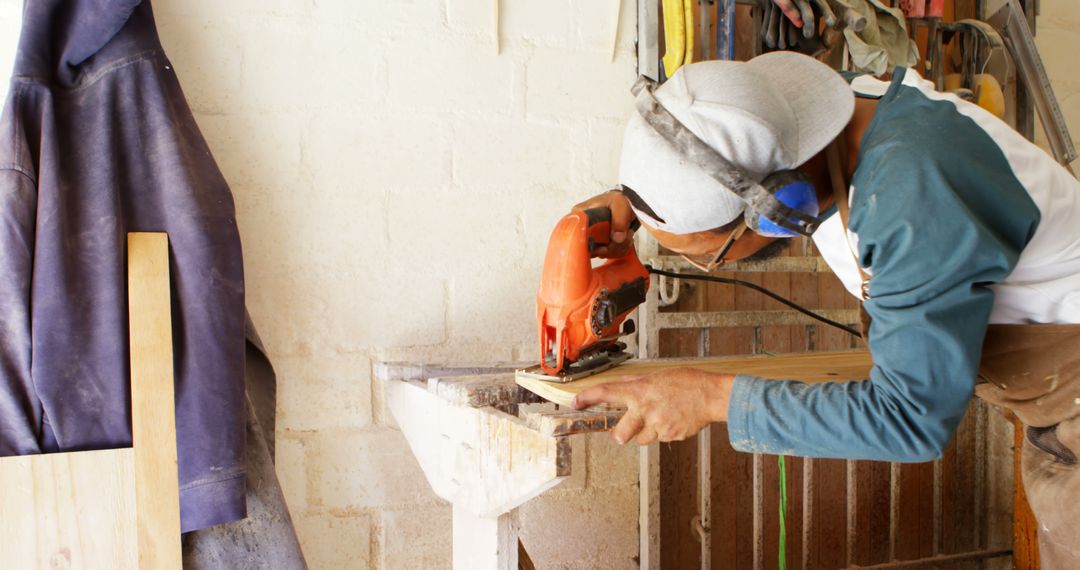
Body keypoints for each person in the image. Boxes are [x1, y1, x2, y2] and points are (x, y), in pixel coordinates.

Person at [570, 51, 1080, 566]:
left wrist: (707, 397)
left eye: (709, 256)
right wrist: (643, 202)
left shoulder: (909, 194)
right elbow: (711, 148)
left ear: (775, 210)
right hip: (1053, 415)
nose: (710, 263)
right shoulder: (795, 120)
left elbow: (909, 420)